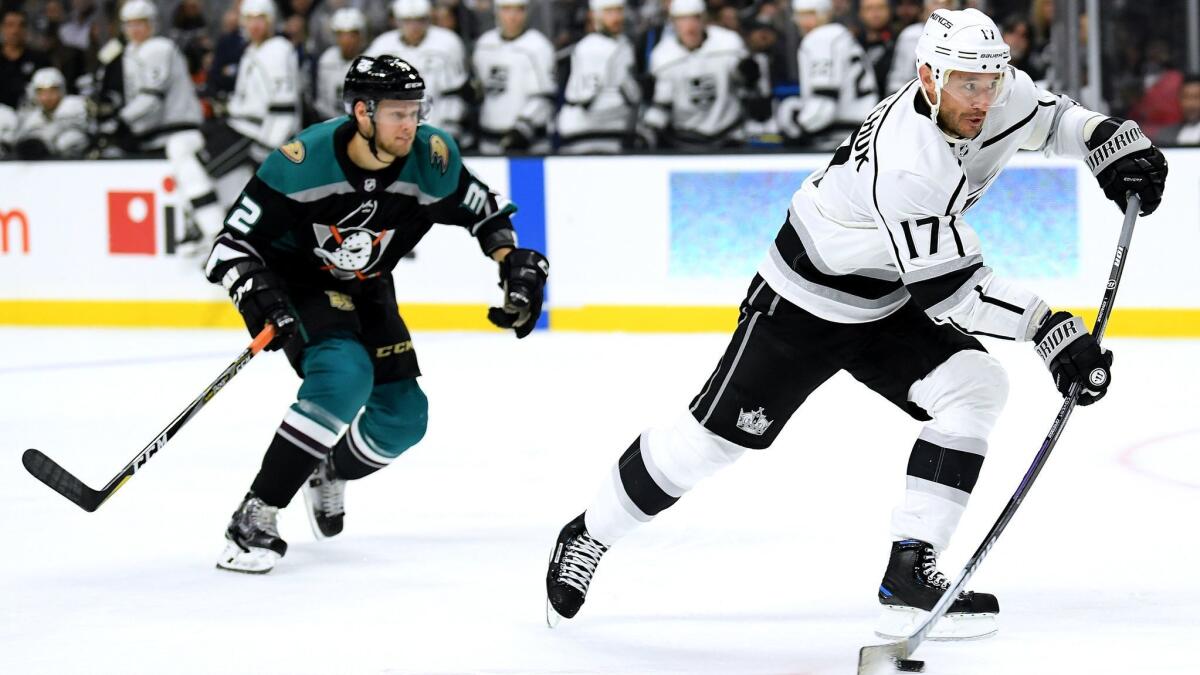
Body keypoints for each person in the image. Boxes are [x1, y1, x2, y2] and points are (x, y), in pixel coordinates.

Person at [544, 7, 1167, 641]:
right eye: (964, 84)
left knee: (973, 387)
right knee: (708, 444)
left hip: (890, 294)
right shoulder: (909, 161)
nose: (981, 99)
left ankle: (909, 577)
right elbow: (953, 292)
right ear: (927, 77)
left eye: (990, 81)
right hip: (804, 304)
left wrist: (1109, 142)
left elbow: (1055, 119)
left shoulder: (1001, 92)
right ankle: (588, 533)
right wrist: (1051, 331)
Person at [205, 55, 549, 574]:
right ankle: (255, 514)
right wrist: (257, 295)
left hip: (368, 287)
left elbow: (485, 211)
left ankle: (327, 466)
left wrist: (513, 263)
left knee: (405, 419)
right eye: (396, 113)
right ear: (362, 113)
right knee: (344, 377)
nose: (409, 124)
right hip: (299, 282)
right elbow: (228, 246)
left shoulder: (431, 158)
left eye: (415, 111)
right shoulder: (301, 163)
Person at [101, 0, 223, 250]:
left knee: (187, 169)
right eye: (130, 25)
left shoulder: (157, 47)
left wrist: (121, 120)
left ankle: (214, 230)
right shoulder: (131, 53)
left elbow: (151, 97)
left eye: (140, 24)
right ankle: (195, 225)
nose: (135, 30)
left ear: (152, 25)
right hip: (155, 134)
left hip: (181, 130)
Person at [189, 0, 300, 249]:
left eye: (261, 18)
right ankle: (225, 233)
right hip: (241, 127)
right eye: (249, 18)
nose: (255, 24)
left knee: (196, 163)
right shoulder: (252, 50)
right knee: (232, 185)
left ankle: (209, 231)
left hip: (252, 133)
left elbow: (284, 105)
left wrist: (269, 149)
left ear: (271, 21)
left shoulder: (277, 49)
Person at [639, 0, 767, 151]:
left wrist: (748, 75)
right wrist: (649, 131)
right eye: (682, 19)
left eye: (695, 18)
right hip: (685, 138)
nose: (690, 26)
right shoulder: (664, 57)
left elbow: (746, 85)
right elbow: (663, 104)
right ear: (673, 23)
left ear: (704, 19)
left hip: (729, 133)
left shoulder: (728, 44)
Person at [776, 0, 878, 150]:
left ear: (825, 13)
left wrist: (799, 129)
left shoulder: (821, 38)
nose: (805, 22)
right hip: (863, 131)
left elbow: (824, 101)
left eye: (811, 14)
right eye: (801, 16)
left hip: (840, 136)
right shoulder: (840, 35)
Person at [367, 0, 471, 144]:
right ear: (397, 21)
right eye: (407, 21)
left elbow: (457, 90)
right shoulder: (381, 47)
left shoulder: (448, 43)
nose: (414, 27)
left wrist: (452, 125)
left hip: (440, 128)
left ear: (429, 19)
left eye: (419, 20)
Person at [472, 0, 556, 154]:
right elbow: (481, 90)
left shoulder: (538, 46)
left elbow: (544, 98)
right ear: (496, 11)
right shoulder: (484, 44)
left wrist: (522, 129)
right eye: (506, 9)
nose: (513, 16)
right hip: (489, 139)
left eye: (519, 10)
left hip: (529, 144)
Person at [556, 0, 640, 154]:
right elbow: (584, 99)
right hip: (586, 135)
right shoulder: (591, 48)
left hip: (613, 133)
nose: (616, 18)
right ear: (595, 16)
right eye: (609, 12)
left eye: (618, 11)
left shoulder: (624, 44)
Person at [12, 66, 88, 158]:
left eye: (52, 91)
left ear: (62, 90)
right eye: (42, 92)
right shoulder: (31, 116)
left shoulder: (76, 107)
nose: (47, 97)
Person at [314, 7, 367, 121]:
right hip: (330, 119)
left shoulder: (370, 62)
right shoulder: (327, 59)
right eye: (341, 35)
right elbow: (322, 98)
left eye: (351, 35)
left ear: (360, 36)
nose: (346, 40)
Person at [0, 9, 49, 109]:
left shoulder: (40, 59)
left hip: (31, 116)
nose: (15, 31)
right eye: (10, 25)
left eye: (21, 25)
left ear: (27, 29)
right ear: (2, 28)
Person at [1156, 74, 1200, 146]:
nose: (1191, 104)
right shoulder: (1165, 135)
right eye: (1186, 97)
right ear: (1179, 99)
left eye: (1196, 97)